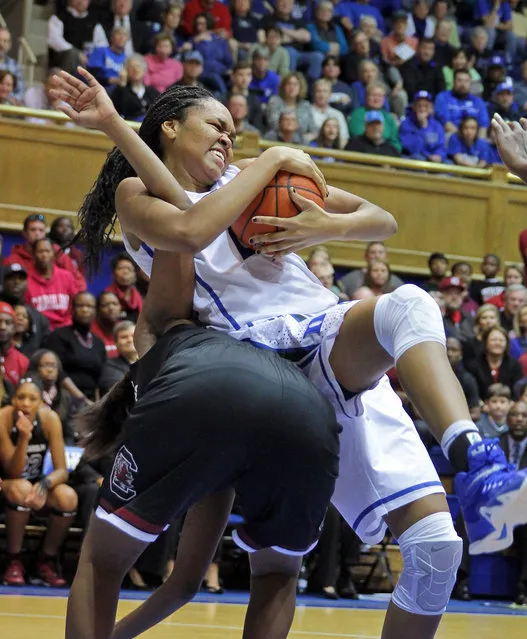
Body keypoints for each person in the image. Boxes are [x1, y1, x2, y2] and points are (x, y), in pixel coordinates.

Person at [53, 69, 527, 639]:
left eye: (234, 130)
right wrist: (273, 156)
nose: (229, 137)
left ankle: (474, 457)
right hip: (262, 355)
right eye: (216, 125)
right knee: (274, 571)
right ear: (171, 129)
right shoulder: (145, 194)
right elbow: (192, 223)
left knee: (436, 548)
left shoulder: (246, 177)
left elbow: (386, 219)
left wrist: (326, 224)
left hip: (329, 343)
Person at [65, 252, 340, 638]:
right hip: (310, 413)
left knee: (101, 561)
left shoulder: (163, 357)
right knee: (278, 572)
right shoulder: (213, 348)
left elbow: (174, 244)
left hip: (204, 387)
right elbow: (186, 583)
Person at [0, 377, 78, 586]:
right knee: (22, 488)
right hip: (7, 483)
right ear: (13, 400)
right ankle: (13, 559)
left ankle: (47, 560)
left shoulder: (49, 419)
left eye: (32, 398)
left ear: (40, 403)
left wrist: (44, 485)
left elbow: (62, 470)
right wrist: (24, 437)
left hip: (33, 484)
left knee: (67, 497)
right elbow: (13, 471)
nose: (25, 403)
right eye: (20, 397)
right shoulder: (3, 418)